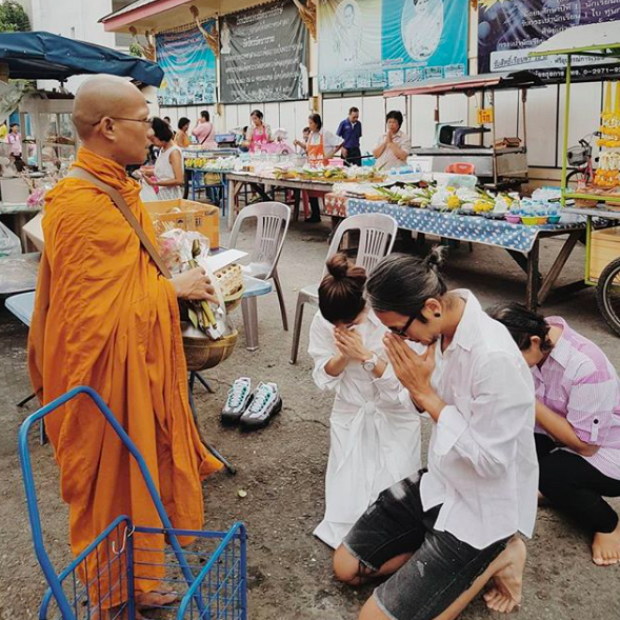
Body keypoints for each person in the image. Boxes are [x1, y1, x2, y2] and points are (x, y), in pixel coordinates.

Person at [28, 75, 223, 615]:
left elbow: (122, 277)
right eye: (144, 120)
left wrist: (161, 268)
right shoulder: (80, 204)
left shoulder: (114, 187)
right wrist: (171, 289)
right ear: (109, 128)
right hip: (100, 377)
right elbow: (92, 320)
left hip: (132, 366)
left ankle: (138, 579)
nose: (153, 130)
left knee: (143, 470)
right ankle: (112, 590)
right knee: (113, 480)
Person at [333, 250, 539, 620]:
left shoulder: (493, 358)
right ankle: (440, 559)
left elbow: (492, 463)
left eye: (399, 329)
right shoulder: (436, 332)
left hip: (482, 505)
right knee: (346, 567)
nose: (398, 339)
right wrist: (418, 389)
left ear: (432, 307)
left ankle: (500, 553)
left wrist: (426, 395)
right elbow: (417, 400)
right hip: (442, 480)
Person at [488, 303, 620, 566]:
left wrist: (525, 396)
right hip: (557, 433)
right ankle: (555, 492)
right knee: (500, 446)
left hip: (606, 449)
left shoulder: (586, 366)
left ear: (535, 342)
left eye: (512, 360)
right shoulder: (528, 334)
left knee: (551, 474)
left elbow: (586, 446)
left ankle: (609, 525)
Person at [309, 254, 422, 549]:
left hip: (394, 412)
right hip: (351, 409)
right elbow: (322, 375)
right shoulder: (326, 320)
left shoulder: (390, 319)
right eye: (336, 324)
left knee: (397, 500)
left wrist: (367, 358)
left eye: (350, 321)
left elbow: (407, 388)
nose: (344, 327)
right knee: (349, 500)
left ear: (365, 305)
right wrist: (344, 356)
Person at [296, 113, 342, 223]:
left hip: (323, 168)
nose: (309, 125)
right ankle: (315, 215)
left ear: (317, 124)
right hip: (312, 167)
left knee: (324, 191)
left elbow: (340, 142)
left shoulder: (325, 133)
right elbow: (308, 149)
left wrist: (330, 154)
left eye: (311, 123)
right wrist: (299, 143)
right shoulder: (311, 134)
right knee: (311, 190)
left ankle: (333, 216)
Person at [142, 117, 184, 201]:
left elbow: (179, 180)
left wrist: (155, 183)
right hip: (162, 195)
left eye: (153, 139)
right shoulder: (163, 150)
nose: (152, 143)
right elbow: (164, 172)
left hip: (171, 197)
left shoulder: (173, 152)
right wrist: (145, 172)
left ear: (160, 134)